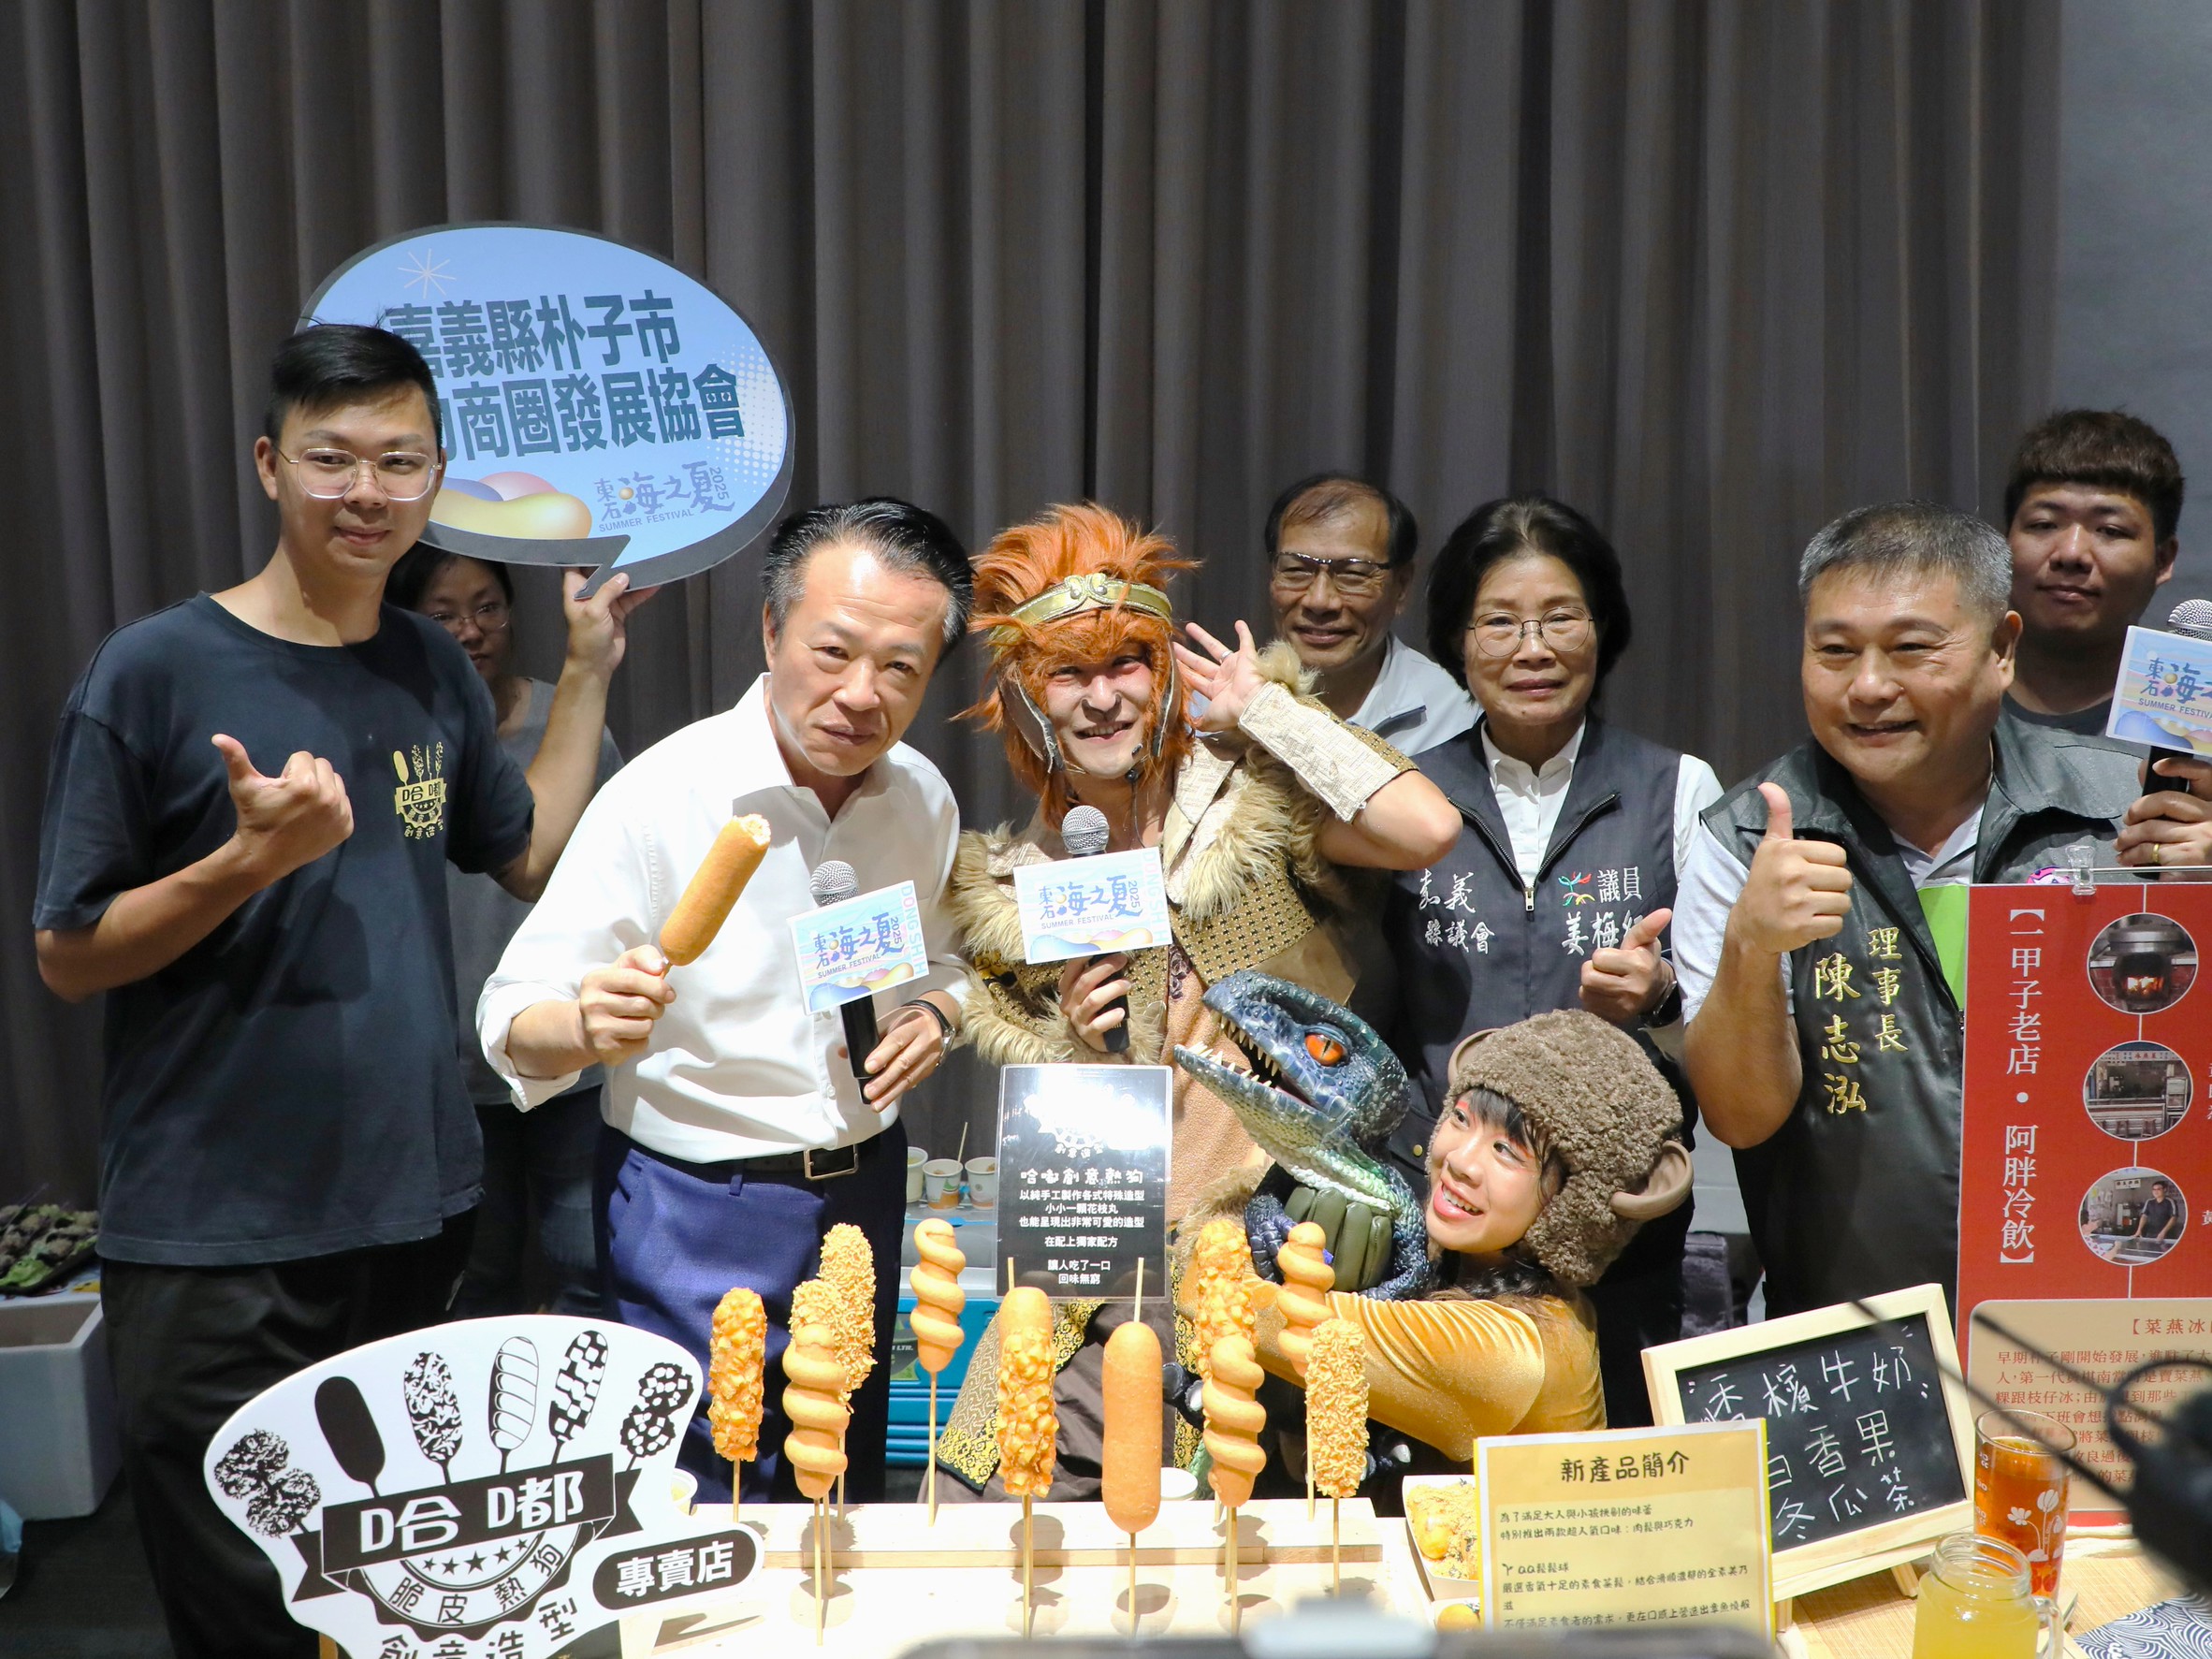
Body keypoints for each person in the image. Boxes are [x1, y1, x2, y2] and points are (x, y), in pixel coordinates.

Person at [32, 323, 647, 1659]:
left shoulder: (428, 667)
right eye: (333, 458)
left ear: (436, 479)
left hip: (410, 1216)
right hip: (215, 1234)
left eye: (400, 461)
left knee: (402, 1611)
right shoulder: (153, 669)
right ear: (270, 464)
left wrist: (591, 671)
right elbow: (68, 954)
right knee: (246, 1610)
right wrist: (245, 863)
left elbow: (528, 850)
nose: (367, 491)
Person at [936, 500, 1459, 1499]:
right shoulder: (1015, 888)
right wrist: (1073, 1038)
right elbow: (1053, 1128)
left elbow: (1427, 827)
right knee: (993, 1526)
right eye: (1069, 674)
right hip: (1086, 1281)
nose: (1102, 698)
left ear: (1164, 670)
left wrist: (1270, 710)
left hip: (1258, 1273)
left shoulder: (1250, 804)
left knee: (1226, 1562)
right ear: (1026, 698)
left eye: (1126, 664)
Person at [479, 498, 974, 1507]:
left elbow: (948, 961)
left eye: (901, 667)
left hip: (864, 1192)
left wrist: (939, 1013)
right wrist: (582, 1026)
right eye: (833, 651)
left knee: (840, 1493)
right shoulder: (665, 796)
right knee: (702, 1505)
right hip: (696, 1205)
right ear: (771, 629)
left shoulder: (921, 799)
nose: (861, 694)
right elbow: (511, 1016)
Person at [1678, 501, 2212, 1317]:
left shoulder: (2123, 812)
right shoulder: (1748, 837)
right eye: (1834, 651)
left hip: (2099, 1321)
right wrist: (1752, 945)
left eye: (1910, 649)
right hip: (1859, 1335)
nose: (1867, 687)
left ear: (2002, 648)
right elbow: (1740, 1118)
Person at [1378, 495, 1721, 1426]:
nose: (1532, 649)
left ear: (1603, 628)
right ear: (1457, 643)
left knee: (1610, 1472)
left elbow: (1731, 1029)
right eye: (1499, 622)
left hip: (1618, 1234)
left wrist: (1662, 996)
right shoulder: (1406, 801)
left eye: (1560, 617)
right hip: (1445, 1217)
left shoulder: (1677, 788)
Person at [1193, 1008, 1691, 1477]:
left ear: (1575, 1202)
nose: (1460, 1161)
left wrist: (1227, 1227)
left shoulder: (1516, 1352)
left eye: (1506, 1150)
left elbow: (1235, 1303)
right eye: (1462, 1119)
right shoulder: (1445, 1264)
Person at [386, 546, 623, 1317]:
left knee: (587, 1266)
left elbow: (620, 877)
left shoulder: (572, 725)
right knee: (476, 1283)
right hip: (449, 1068)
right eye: (444, 614)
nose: (471, 630)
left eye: (487, 607)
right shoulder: (400, 741)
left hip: (568, 1051)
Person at [2002, 410, 2185, 736]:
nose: (2071, 553)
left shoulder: (2189, 717)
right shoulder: (1945, 695)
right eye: (2044, 524)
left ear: (2162, 560)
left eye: (2110, 530)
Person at [1266, 473, 1476, 755]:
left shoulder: (1459, 717)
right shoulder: (1220, 709)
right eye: (1296, 570)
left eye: (1353, 574)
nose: (1320, 601)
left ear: (1401, 586)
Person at [2132, 1180, 2182, 1246]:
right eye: (2154, 1189)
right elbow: (2144, 1216)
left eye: (2158, 1189)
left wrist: (2163, 1232)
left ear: (2164, 1190)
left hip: (2166, 1235)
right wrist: (2139, 1230)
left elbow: (2174, 1218)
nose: (2156, 1191)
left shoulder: (2170, 1202)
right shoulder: (2149, 1202)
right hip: (2151, 1234)